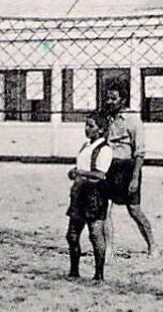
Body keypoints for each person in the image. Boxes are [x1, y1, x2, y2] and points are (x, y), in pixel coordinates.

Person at [101, 85, 156, 256]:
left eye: (113, 98)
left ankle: (152, 245)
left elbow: (139, 153)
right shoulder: (107, 117)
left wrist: (134, 178)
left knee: (134, 210)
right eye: (107, 98)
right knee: (105, 210)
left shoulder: (133, 120)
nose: (109, 102)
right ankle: (109, 247)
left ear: (123, 100)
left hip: (127, 167)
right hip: (108, 166)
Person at [66, 113, 113, 282]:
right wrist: (75, 172)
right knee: (72, 234)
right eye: (86, 125)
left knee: (95, 234)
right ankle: (74, 271)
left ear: (100, 130)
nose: (87, 129)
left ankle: (99, 274)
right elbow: (83, 166)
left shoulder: (105, 149)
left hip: (95, 194)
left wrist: (79, 172)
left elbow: (100, 175)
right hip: (79, 192)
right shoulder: (86, 146)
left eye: (91, 126)